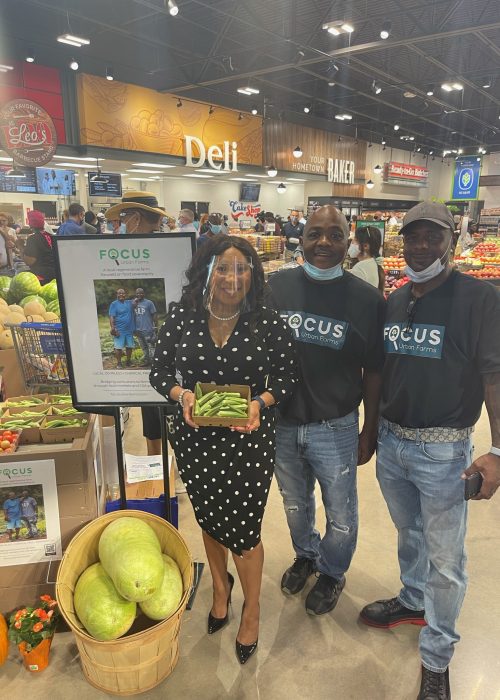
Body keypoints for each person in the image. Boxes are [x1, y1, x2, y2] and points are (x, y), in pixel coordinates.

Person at [359, 202, 500, 700]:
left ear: (451, 242)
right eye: (412, 238)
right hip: (394, 446)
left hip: (443, 452)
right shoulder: (396, 301)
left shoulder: (478, 298)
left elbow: (494, 374)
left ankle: (437, 655)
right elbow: (380, 372)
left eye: (431, 238)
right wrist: (371, 431)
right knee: (408, 533)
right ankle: (412, 600)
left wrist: (498, 450)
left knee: (446, 558)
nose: (420, 247)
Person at [149, 235, 297, 664]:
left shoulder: (268, 322)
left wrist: (259, 403)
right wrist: (182, 395)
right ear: (206, 272)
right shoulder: (182, 318)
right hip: (195, 441)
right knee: (210, 521)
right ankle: (219, 587)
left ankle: (251, 608)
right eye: (224, 268)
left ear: (253, 274)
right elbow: (159, 372)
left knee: (245, 533)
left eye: (242, 268)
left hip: (248, 441)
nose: (233, 278)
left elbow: (287, 379)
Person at [267, 205, 385, 617]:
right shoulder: (274, 288)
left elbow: (374, 370)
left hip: (334, 426)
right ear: (302, 238)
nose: (323, 242)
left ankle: (333, 571)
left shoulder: (367, 300)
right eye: (315, 233)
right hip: (281, 423)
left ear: (348, 240)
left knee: (341, 513)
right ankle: (306, 554)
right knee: (295, 503)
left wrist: (370, 428)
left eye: (334, 235)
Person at [105, 191, 175, 455]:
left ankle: (166, 467)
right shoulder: (121, 252)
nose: (119, 222)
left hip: (166, 344)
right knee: (152, 407)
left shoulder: (162, 251)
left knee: (165, 402)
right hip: (152, 343)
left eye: (122, 217)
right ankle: (155, 464)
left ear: (134, 218)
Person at [348, 225, 385, 292]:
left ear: (365, 246)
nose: (352, 244)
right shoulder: (373, 263)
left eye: (355, 241)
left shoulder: (359, 268)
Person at [23, 210, 56, 284]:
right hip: (55, 274)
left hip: (41, 277)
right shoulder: (51, 236)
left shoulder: (33, 239)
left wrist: (20, 246)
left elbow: (30, 261)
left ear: (30, 223)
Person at [108, 288, 136, 368]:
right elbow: (111, 317)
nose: (121, 295)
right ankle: (119, 363)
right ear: (117, 295)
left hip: (129, 329)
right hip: (119, 330)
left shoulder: (129, 303)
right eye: (119, 293)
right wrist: (113, 328)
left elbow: (136, 302)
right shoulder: (114, 304)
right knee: (118, 347)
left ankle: (128, 362)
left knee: (129, 346)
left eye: (123, 293)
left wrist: (136, 300)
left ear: (125, 294)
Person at [133, 288, 157, 366]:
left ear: (144, 294)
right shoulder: (133, 303)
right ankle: (147, 361)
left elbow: (154, 315)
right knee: (144, 347)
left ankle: (155, 363)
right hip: (138, 330)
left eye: (141, 293)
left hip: (148, 329)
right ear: (135, 294)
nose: (139, 295)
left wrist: (155, 327)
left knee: (151, 346)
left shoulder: (149, 303)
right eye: (137, 293)